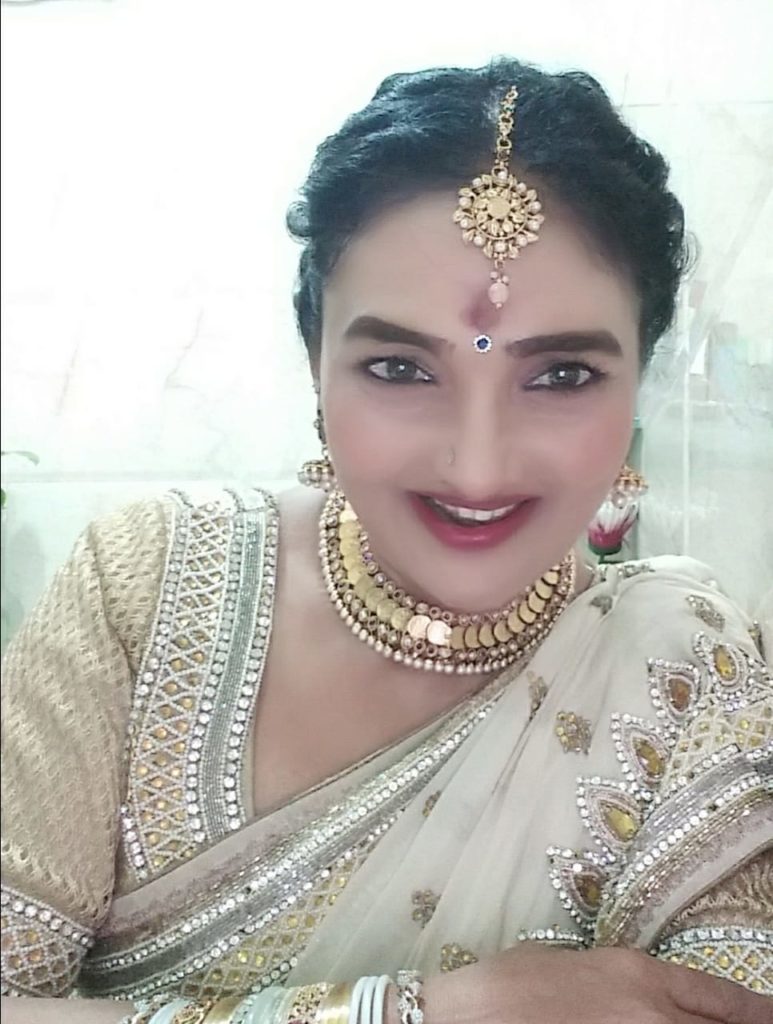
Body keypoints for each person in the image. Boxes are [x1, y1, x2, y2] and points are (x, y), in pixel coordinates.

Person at [1, 57, 771, 1024]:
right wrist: (416, 1012)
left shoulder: (685, 666)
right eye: (400, 368)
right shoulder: (145, 586)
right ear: (314, 361)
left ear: (638, 381)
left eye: (562, 376)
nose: (476, 467)